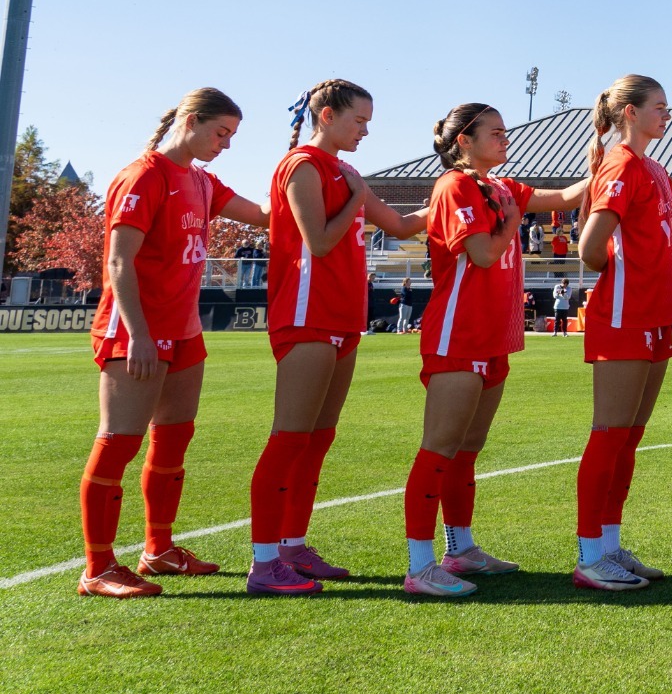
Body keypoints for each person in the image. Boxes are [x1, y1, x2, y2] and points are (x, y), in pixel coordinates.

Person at [76, 89, 270, 599]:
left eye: (232, 136)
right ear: (189, 120)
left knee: (174, 437)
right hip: (134, 329)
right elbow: (119, 262)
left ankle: (158, 550)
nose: (225, 144)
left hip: (184, 330)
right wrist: (138, 334)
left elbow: (266, 215)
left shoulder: (202, 181)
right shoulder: (144, 175)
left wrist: (294, 173)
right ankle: (97, 568)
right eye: (220, 132)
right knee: (119, 440)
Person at [247, 80, 427, 596]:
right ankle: (264, 563)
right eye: (359, 121)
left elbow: (397, 222)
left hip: (343, 318)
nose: (365, 131)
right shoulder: (302, 166)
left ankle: (293, 545)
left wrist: (451, 194)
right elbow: (321, 241)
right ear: (326, 116)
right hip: (306, 315)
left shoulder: (345, 171)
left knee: (317, 439)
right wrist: (354, 199)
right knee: (289, 439)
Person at [402, 103, 587, 598]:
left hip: (493, 337)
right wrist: (510, 222)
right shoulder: (455, 186)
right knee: (439, 449)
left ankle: (459, 550)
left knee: (465, 452)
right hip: (458, 334)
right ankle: (420, 565)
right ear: (464, 140)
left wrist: (605, 155)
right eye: (496, 132)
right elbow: (482, 254)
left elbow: (567, 194)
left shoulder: (501, 187)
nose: (505, 139)